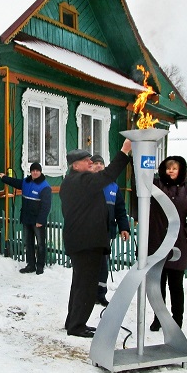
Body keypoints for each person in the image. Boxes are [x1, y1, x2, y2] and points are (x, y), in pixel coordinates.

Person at [59, 139, 132, 338]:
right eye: (86, 160)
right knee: (86, 286)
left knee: (79, 283)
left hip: (80, 241)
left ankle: (72, 322)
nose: (91, 162)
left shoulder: (71, 182)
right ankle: (77, 326)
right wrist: (124, 151)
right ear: (76, 165)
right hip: (87, 242)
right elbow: (108, 175)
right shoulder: (81, 180)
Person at [146, 155, 187, 331]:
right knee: (158, 284)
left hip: (178, 244)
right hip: (156, 242)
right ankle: (159, 318)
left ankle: (177, 320)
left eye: (174, 168)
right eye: (168, 168)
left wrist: (186, 231)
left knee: (176, 285)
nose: (170, 171)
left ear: (181, 171)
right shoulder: (155, 185)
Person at [89, 154, 131, 307]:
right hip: (89, 233)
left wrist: (124, 227)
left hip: (107, 233)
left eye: (101, 163)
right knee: (89, 265)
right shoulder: (88, 184)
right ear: (90, 167)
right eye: (95, 163)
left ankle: (100, 294)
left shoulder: (113, 187)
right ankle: (88, 294)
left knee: (103, 265)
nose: (99, 165)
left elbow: (120, 209)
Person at [0, 162, 52, 275]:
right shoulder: (26, 182)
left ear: (40, 172)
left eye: (37, 170)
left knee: (41, 244)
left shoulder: (45, 186)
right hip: (27, 218)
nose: (35, 172)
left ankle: (40, 266)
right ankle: (31, 265)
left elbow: (46, 206)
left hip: (37, 220)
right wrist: (4, 178)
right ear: (30, 172)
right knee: (28, 243)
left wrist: (40, 220)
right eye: (33, 170)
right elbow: (15, 182)